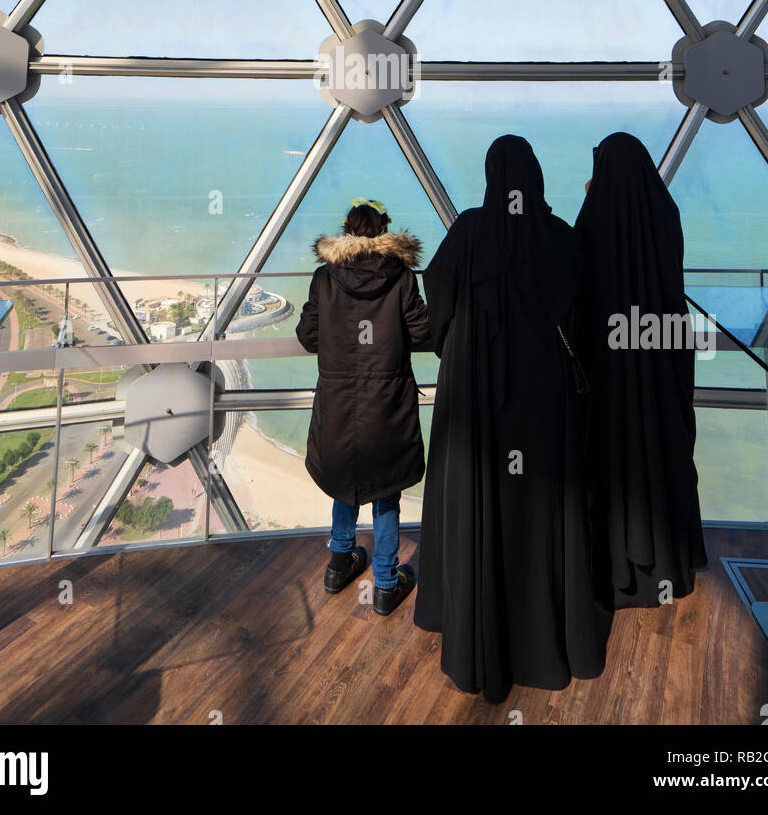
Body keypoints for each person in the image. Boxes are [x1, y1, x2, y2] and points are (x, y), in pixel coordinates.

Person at [414, 136, 605, 702]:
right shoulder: (560, 238)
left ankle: (479, 638)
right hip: (542, 401)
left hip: (475, 401)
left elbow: (436, 304)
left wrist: (468, 345)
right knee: (542, 514)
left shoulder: (470, 232)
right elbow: (582, 311)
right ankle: (546, 643)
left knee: (481, 509)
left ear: (492, 176)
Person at [573, 131, 707, 611]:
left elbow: (580, 290)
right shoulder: (663, 213)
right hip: (658, 364)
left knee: (609, 462)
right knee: (662, 451)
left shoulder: (593, 220)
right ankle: (668, 569)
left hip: (607, 372)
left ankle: (617, 572)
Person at [296, 198, 430, 616]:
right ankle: (386, 584)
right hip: (386, 402)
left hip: (338, 400)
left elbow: (307, 335)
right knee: (386, 490)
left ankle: (340, 564)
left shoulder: (325, 278)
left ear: (346, 233)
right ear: (385, 232)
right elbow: (423, 333)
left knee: (345, 478)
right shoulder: (403, 279)